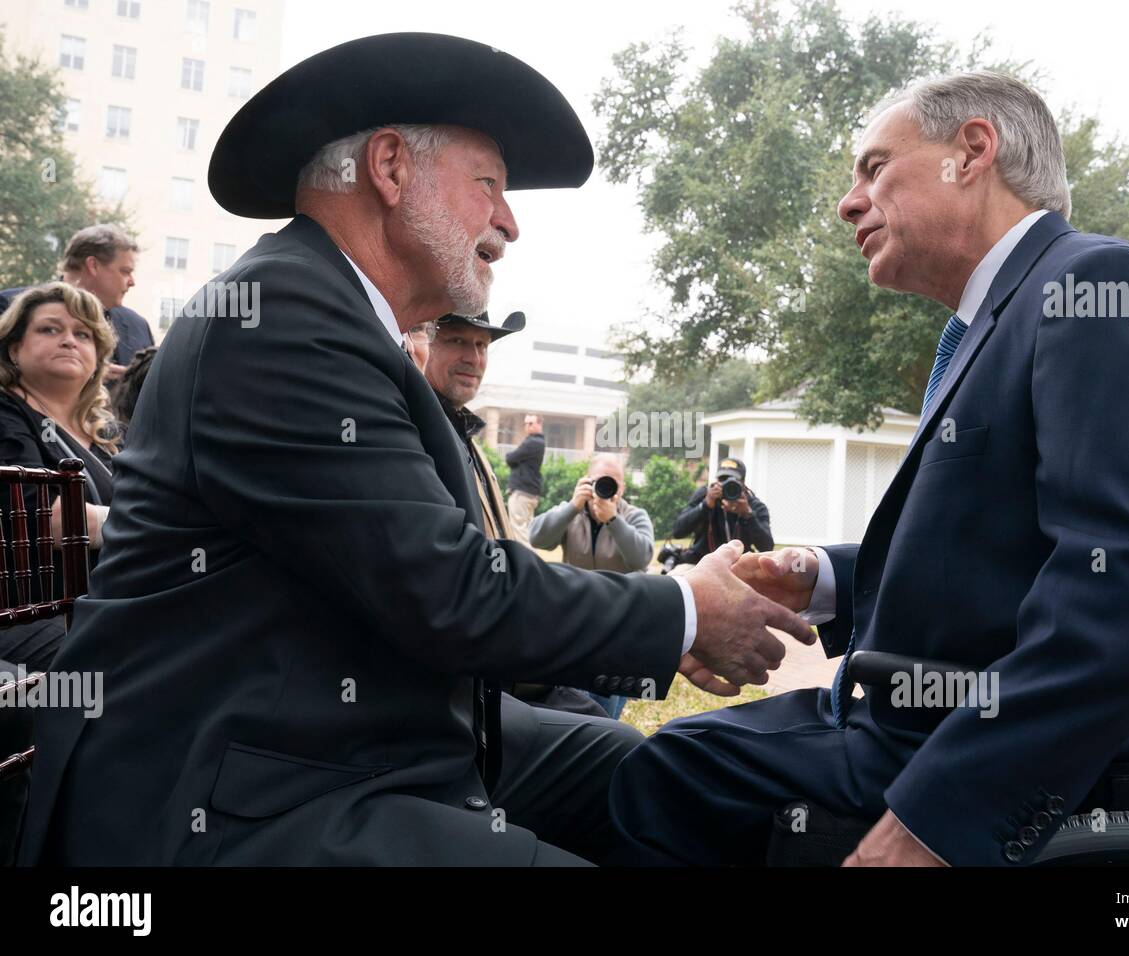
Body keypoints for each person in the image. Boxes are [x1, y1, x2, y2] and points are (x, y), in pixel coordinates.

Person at [18, 33, 811, 868]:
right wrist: (682, 608)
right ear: (390, 169)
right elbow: (446, 587)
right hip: (233, 784)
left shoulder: (335, 314)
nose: (508, 222)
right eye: (490, 187)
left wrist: (670, 623)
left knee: (694, 783)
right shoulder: (281, 314)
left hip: (361, 733)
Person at [609, 70, 1129, 867]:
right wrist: (815, 578)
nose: (848, 202)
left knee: (659, 781)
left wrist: (942, 820)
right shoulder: (1002, 318)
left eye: (874, 167)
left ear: (973, 151)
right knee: (653, 761)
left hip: (991, 758)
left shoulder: (1097, 289)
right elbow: (997, 565)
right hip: (915, 720)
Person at [420, 309, 605, 720]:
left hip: (508, 642)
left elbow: (508, 554)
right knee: (609, 734)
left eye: (482, 345)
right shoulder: (418, 436)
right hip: (476, 675)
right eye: (456, 341)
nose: (474, 357)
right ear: (421, 341)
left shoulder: (468, 440)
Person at [0, 283, 120, 669]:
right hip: (27, 611)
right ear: (14, 349)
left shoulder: (108, 435)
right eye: (50, 329)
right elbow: (47, 520)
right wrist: (149, 522)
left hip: (110, 601)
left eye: (82, 334)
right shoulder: (7, 414)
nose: (69, 340)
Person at [530, 453, 656, 718]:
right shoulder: (572, 511)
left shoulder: (634, 515)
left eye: (614, 482)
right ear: (587, 480)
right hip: (576, 616)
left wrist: (613, 520)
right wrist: (572, 506)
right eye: (600, 480)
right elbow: (537, 537)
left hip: (622, 620)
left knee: (606, 706)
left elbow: (641, 557)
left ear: (622, 488)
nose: (606, 488)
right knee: (577, 697)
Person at [0, 225, 153, 382]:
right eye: (125, 271)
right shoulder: (9, 307)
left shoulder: (138, 326)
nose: (132, 282)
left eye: (82, 335)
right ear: (93, 265)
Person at [671, 457, 773, 567]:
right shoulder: (705, 495)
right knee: (676, 576)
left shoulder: (753, 505)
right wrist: (706, 505)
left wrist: (747, 515)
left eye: (732, 481)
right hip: (701, 564)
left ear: (743, 483)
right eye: (722, 479)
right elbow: (678, 531)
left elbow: (767, 546)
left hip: (739, 566)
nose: (726, 485)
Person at [506, 413, 545, 541]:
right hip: (529, 492)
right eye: (525, 424)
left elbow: (511, 458)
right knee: (527, 532)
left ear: (539, 424)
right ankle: (532, 559)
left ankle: (529, 560)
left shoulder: (533, 442)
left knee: (519, 531)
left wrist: (514, 460)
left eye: (531, 423)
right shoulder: (537, 442)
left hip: (522, 493)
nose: (527, 426)